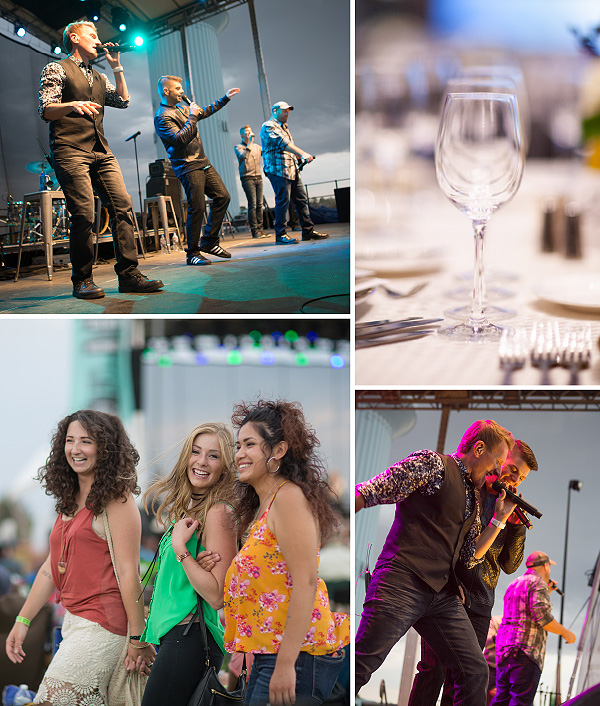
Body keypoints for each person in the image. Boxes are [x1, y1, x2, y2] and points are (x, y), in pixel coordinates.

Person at [355, 419, 518, 706]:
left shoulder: (475, 498)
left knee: (475, 671)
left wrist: (500, 520)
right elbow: (373, 490)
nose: (498, 471)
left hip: (442, 594)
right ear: (479, 448)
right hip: (403, 579)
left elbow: (470, 556)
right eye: (498, 461)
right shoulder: (434, 464)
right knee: (363, 663)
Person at [5, 410, 154, 703]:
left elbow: (129, 573)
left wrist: (138, 638)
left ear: (105, 448)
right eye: (70, 440)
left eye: (86, 441)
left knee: (51, 699)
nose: (75, 449)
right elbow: (50, 567)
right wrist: (23, 620)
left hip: (103, 624)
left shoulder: (118, 501)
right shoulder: (69, 499)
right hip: (74, 621)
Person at [222, 399, 350, 705]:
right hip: (272, 653)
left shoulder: (288, 498)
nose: (239, 454)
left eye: (249, 444)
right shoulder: (264, 507)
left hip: (296, 655)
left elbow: (305, 581)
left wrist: (285, 664)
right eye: (237, 445)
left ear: (278, 450)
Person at [38, 21, 164, 299]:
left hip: (101, 151)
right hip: (69, 149)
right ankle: (81, 280)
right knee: (84, 213)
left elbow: (123, 100)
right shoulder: (56, 68)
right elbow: (46, 109)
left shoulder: (98, 75)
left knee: (123, 206)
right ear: (74, 38)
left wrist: (116, 65)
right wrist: (72, 105)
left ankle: (129, 275)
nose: (98, 40)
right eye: (92, 35)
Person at [409, 439, 539, 706]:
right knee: (432, 670)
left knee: (462, 680)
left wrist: (516, 527)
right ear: (502, 458)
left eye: (522, 477)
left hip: (480, 602)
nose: (516, 479)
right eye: (514, 469)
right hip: (446, 592)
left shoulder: (510, 506)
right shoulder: (472, 488)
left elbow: (511, 565)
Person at [139, 423, 239, 706]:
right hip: (176, 638)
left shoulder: (219, 512)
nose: (201, 461)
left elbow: (218, 596)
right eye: (196, 452)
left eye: (213, 456)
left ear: (225, 467)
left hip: (191, 637)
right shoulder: (190, 512)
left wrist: (183, 551)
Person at [154, 76, 240, 264]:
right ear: (166, 91)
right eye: (178, 88)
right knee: (198, 207)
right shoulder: (162, 116)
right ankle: (192, 253)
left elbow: (205, 111)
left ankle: (209, 241)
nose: (182, 92)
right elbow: (179, 139)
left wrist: (225, 98)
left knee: (223, 197)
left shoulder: (182, 109)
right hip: (187, 166)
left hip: (202, 161)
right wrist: (192, 116)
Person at [491, 551, 576, 706]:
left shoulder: (514, 583)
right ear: (545, 566)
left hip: (504, 650)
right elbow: (542, 617)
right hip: (525, 651)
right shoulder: (538, 583)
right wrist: (566, 633)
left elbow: (524, 612)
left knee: (502, 699)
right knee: (520, 701)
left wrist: (547, 593)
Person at [260, 102, 329, 244]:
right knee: (283, 201)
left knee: (301, 200)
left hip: (292, 169)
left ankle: (308, 231)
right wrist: (302, 153)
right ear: (275, 111)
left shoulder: (284, 127)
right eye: (284, 111)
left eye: (288, 111)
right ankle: (280, 235)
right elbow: (283, 143)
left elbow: (288, 148)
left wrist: (297, 156)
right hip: (278, 170)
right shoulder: (268, 126)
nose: (287, 113)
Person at [234, 126, 267, 239]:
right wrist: (250, 143)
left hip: (258, 177)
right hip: (247, 178)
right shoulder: (238, 147)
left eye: (250, 131)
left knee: (259, 204)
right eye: (246, 132)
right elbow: (244, 156)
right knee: (252, 204)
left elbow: (266, 154)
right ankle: (255, 231)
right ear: (242, 135)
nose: (249, 133)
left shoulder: (257, 147)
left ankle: (261, 229)